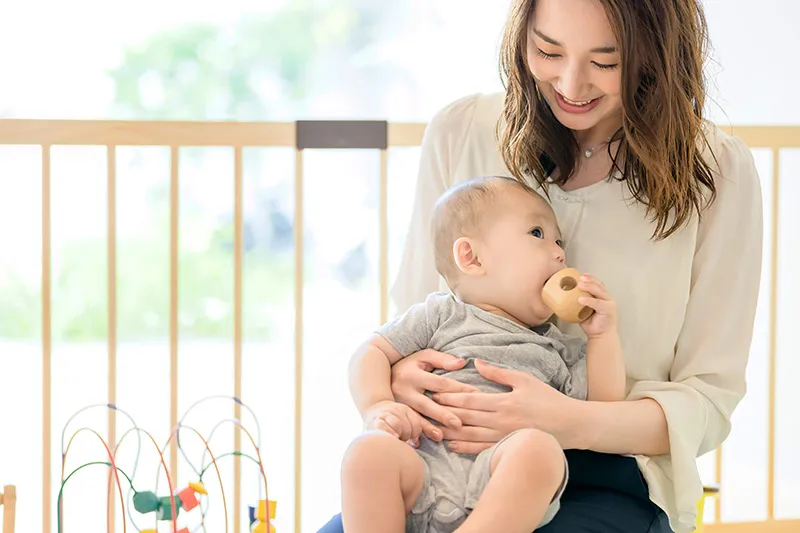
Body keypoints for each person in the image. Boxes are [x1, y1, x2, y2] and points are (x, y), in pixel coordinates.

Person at [318, 0, 763, 531]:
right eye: (548, 51)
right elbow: (409, 324)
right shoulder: (462, 131)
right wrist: (396, 384)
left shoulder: (717, 171)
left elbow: (707, 402)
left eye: (606, 61)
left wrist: (567, 419)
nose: (571, 85)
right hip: (438, 455)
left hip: (605, 473)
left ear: (657, 55)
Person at [341, 176, 626, 533]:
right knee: (366, 452)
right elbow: (370, 352)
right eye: (537, 233)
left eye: (559, 242)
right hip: (419, 469)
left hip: (497, 480)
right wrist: (378, 405)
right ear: (472, 258)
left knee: (539, 451)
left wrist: (602, 336)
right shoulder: (440, 314)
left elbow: (604, 406)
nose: (559, 253)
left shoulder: (554, 347)